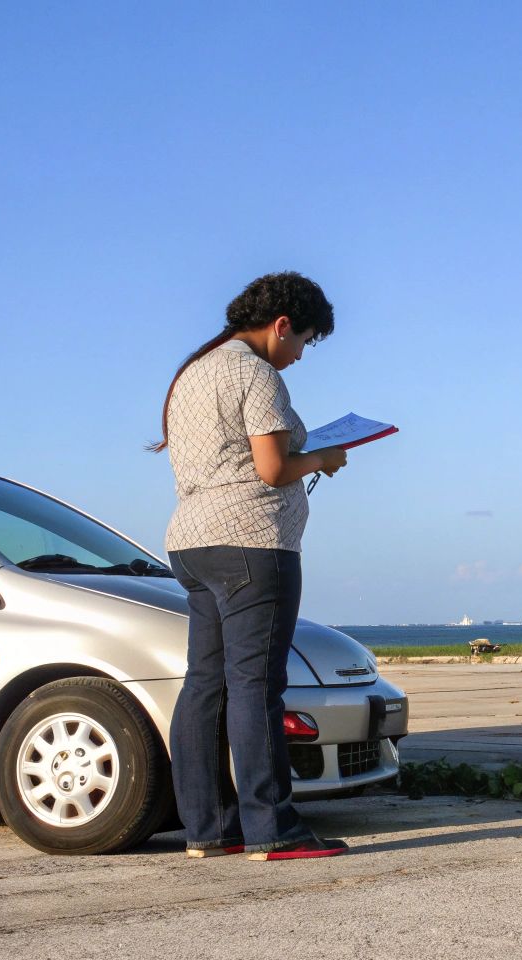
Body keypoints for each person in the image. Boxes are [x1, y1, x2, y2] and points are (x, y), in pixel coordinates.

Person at [152, 272, 350, 860]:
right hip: (251, 543)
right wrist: (322, 457)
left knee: (204, 684)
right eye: (305, 341)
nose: (299, 356)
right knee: (256, 686)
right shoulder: (254, 372)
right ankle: (271, 829)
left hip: (193, 541)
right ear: (281, 324)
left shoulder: (195, 372)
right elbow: (270, 468)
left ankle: (208, 827)